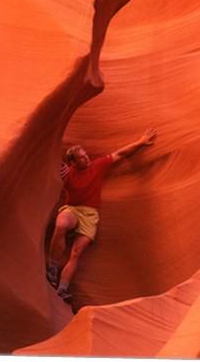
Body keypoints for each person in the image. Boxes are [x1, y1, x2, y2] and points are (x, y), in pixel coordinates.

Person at [46, 127, 156, 303]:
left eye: (86, 154)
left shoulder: (97, 166)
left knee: (76, 253)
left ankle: (61, 290)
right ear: (73, 162)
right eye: (81, 157)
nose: (86, 158)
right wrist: (59, 174)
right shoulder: (67, 174)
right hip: (73, 209)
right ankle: (52, 269)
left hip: (90, 215)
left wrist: (141, 142)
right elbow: (49, 169)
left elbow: (120, 154)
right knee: (61, 224)